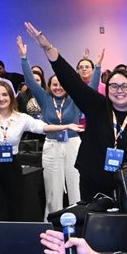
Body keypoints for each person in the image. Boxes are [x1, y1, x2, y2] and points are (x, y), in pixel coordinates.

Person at [25, 22, 127, 202]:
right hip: (93, 182)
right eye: (114, 86)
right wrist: (48, 48)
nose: (119, 90)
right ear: (108, 88)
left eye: (125, 86)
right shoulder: (96, 106)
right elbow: (72, 81)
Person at [0, 41, 78, 222]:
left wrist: (66, 126)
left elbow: (42, 127)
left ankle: (16, 242)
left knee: (15, 206)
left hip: (12, 166)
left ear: (11, 97)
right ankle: (1, 245)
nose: (1, 99)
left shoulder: (21, 118)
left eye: (4, 95)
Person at [18, 45, 84, 216]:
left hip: (73, 144)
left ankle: (78, 222)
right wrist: (24, 58)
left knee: (75, 187)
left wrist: (97, 67)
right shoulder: (45, 98)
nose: (58, 87)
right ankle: (52, 224)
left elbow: (89, 85)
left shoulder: (75, 98)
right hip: (52, 145)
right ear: (49, 85)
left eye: (61, 84)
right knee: (53, 191)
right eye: (54, 84)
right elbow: (31, 81)